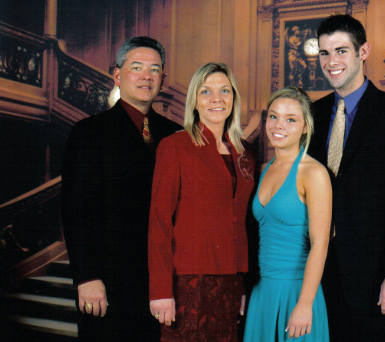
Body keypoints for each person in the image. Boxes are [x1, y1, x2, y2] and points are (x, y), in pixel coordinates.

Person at [308, 14, 385, 341]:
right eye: (324, 53)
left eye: (341, 51)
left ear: (363, 52)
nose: (332, 62)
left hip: (371, 277)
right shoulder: (312, 115)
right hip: (314, 275)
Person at [61, 36, 181, 341]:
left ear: (163, 79)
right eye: (137, 67)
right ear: (117, 74)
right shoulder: (89, 132)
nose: (146, 76)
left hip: (161, 283)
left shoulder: (174, 135)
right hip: (108, 280)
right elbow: (76, 210)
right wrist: (87, 277)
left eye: (154, 70)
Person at [148, 62, 256, 342]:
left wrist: (242, 285)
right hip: (187, 281)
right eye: (206, 91)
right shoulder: (175, 147)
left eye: (224, 91)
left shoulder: (244, 153)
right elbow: (159, 223)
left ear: (234, 98)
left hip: (231, 281)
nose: (216, 99)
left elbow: (242, 222)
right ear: (194, 100)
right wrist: (160, 291)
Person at [244, 87, 331, 341]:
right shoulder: (263, 168)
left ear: (305, 127)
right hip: (262, 293)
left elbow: (321, 244)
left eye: (291, 119)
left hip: (299, 292)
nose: (278, 125)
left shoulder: (313, 173)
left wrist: (304, 305)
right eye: (273, 116)